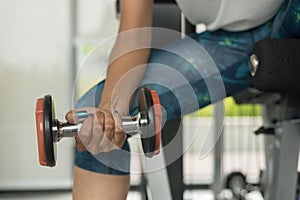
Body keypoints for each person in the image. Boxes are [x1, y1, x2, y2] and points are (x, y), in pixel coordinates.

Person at [65, 0, 300, 199]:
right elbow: (133, 37)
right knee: (93, 123)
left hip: (289, 9)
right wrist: (110, 111)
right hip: (234, 40)